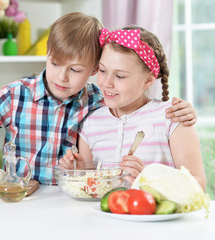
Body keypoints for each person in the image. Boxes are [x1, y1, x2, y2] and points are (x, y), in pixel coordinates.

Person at [0, 13, 197, 185]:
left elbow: (133, 105)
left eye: (75, 70)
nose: (62, 77)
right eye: (54, 63)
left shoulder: (99, 101)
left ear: (92, 69)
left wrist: (181, 110)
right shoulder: (15, 95)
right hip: (21, 197)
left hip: (65, 201)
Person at [59, 26, 206, 190]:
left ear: (148, 80)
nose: (106, 82)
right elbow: (90, 187)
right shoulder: (91, 124)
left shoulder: (172, 118)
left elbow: (198, 185)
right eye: (102, 70)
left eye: (120, 76)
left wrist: (148, 181)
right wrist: (80, 172)